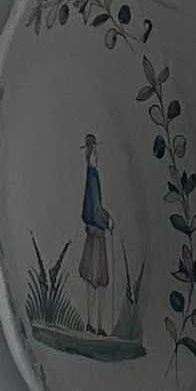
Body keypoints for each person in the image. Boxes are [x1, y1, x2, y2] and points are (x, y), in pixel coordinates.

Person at [76, 132, 113, 321]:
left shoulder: (92, 176)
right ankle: (98, 323)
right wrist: (107, 220)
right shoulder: (92, 177)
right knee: (97, 280)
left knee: (93, 280)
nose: (96, 156)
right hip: (96, 235)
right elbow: (95, 208)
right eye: (94, 152)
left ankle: (94, 322)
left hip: (93, 233)